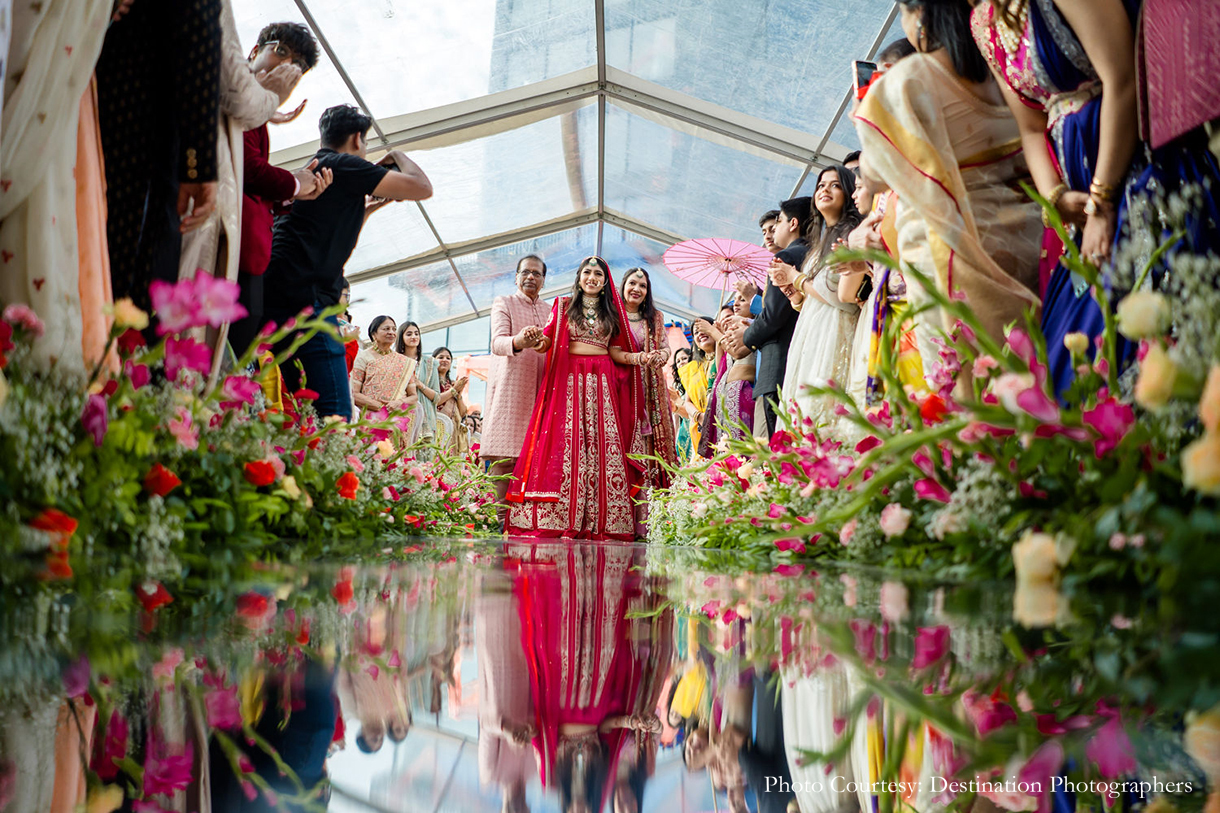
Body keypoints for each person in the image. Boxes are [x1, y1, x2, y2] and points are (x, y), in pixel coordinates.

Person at [972, 0, 1220, 397]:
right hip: (1082, 205)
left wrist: (1102, 200)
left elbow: (1123, 78)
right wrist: (1053, 194)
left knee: (1153, 328)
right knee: (1078, 360)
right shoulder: (984, 21)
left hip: (1141, 165)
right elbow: (1031, 129)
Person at [853, 0, 1042, 390]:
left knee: (971, 397)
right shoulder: (1001, 63)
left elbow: (873, 171)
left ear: (919, 12)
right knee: (1039, 370)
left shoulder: (907, 81)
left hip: (950, 258)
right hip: (1028, 240)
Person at [263, 104, 432, 421]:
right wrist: (396, 155)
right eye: (366, 144)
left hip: (279, 294)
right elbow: (422, 187)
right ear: (357, 139)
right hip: (306, 299)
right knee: (335, 414)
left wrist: (367, 209)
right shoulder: (346, 165)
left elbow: (326, 228)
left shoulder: (320, 167)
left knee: (307, 411)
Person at [505, 257, 650, 542]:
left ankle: (602, 521)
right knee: (569, 444)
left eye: (598, 273)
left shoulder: (613, 313)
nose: (592, 277)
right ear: (579, 277)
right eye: (587, 272)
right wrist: (535, 341)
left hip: (603, 384)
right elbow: (547, 341)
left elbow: (617, 353)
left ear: (606, 281)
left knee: (601, 448)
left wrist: (641, 357)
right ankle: (563, 516)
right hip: (569, 380)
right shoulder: (562, 307)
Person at [230, 22, 328, 359]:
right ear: (255, 51)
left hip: (250, 252)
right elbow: (247, 168)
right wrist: (296, 183)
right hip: (229, 246)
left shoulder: (253, 106)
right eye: (281, 51)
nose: (288, 68)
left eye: (298, 66)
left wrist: (293, 191)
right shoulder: (237, 96)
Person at [768, 165, 866, 427]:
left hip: (834, 329)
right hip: (811, 327)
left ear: (848, 192)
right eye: (821, 185)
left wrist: (795, 278)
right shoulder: (819, 242)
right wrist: (793, 293)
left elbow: (840, 296)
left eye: (834, 185)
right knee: (800, 403)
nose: (825, 189)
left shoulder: (851, 234)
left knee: (821, 405)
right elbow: (812, 296)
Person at [728, 198, 810, 436]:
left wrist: (746, 337)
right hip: (797, 362)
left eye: (777, 224)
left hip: (777, 364)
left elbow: (773, 315)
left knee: (771, 449)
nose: (772, 233)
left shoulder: (786, 257)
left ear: (792, 223)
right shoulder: (814, 254)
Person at [482, 255, 552, 520]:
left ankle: (526, 521)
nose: (531, 277)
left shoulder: (550, 310)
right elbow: (497, 343)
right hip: (511, 389)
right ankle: (496, 520)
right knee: (504, 456)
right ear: (516, 277)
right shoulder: (504, 302)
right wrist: (519, 340)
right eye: (525, 272)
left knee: (537, 458)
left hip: (542, 390)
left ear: (544, 281)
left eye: (536, 273)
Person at [620, 267, 678, 498]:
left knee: (646, 443)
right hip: (620, 386)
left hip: (648, 392)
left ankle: (646, 512)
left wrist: (661, 356)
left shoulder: (654, 318)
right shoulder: (613, 315)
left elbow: (665, 347)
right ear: (623, 285)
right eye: (632, 283)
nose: (637, 289)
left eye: (643, 286)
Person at [349, 315, 419, 430]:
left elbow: (413, 396)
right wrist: (381, 407)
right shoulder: (362, 357)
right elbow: (354, 393)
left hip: (397, 421)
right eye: (386, 329)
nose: (391, 332)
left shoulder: (403, 362)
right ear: (374, 334)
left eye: (394, 329)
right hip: (370, 419)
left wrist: (398, 403)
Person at [396, 321, 440, 448]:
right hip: (403, 414)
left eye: (416, 333)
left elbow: (437, 397)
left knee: (423, 461)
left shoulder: (430, 363)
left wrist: (420, 385)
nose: (414, 337)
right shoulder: (396, 361)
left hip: (426, 419)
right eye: (409, 334)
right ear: (401, 338)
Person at [677, 323, 716, 460]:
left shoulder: (722, 358)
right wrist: (699, 416)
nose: (700, 333)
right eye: (696, 332)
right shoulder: (694, 370)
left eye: (703, 329)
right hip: (700, 425)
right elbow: (688, 402)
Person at [432, 347, 469, 455]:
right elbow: (435, 402)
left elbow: (462, 413)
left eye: (448, 358)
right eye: (441, 357)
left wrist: (459, 394)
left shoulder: (453, 384)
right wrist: (453, 390)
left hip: (452, 430)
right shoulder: (430, 382)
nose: (445, 360)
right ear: (433, 360)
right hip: (436, 427)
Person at [671, 347, 694, 460]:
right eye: (678, 361)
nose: (681, 363)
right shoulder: (679, 389)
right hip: (683, 434)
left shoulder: (697, 380)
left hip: (695, 431)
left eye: (684, 358)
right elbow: (676, 420)